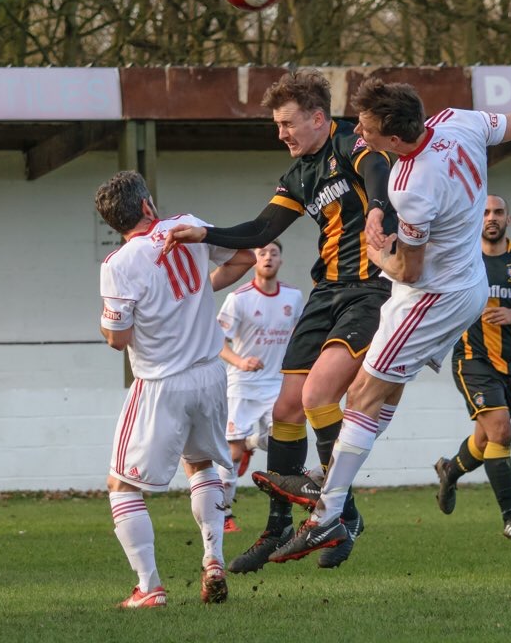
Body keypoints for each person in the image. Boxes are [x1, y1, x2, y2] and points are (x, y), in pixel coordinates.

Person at [254, 76, 511, 565]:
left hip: (430, 297)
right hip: (466, 284)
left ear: (394, 138)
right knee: (384, 394)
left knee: (361, 394)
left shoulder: (412, 186)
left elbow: (410, 267)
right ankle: (334, 483)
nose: (358, 137)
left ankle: (326, 515)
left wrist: (377, 252)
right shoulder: (457, 121)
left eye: (365, 130)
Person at [164, 68, 394, 571]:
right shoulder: (298, 175)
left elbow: (378, 170)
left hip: (370, 291)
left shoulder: (350, 144)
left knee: (317, 397)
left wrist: (378, 208)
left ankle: (337, 514)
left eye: (288, 123)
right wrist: (201, 233)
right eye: (277, 124)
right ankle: (278, 528)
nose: (281, 133)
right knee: (286, 410)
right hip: (326, 292)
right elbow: (261, 228)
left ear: (317, 117)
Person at [96, 171, 256, 608]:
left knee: (122, 485)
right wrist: (198, 290)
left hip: (161, 383)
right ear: (148, 205)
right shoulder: (187, 225)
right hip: (209, 376)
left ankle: (149, 587)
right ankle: (214, 560)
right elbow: (245, 258)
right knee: (200, 465)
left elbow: (118, 339)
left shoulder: (119, 264)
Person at [433, 194, 511, 541]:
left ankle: (450, 469)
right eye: (484, 213)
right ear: (475, 220)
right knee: (501, 432)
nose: (491, 218)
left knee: (484, 439)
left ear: (509, 219)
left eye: (497, 212)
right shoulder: (462, 259)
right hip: (471, 359)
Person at [216, 240, 303, 533]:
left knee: (281, 442)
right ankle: (224, 514)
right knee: (233, 453)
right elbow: (217, 341)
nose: (267, 257)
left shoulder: (294, 296)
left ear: (280, 260)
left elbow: (302, 337)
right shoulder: (238, 298)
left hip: (278, 383)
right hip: (242, 385)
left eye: (273, 253)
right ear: (254, 260)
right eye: (262, 253)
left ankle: (253, 444)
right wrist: (239, 362)